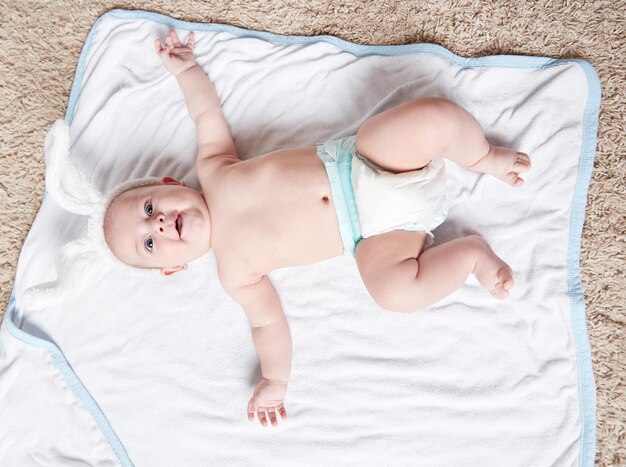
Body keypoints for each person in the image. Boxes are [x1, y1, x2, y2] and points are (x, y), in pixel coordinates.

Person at [103, 30, 531, 428]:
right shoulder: (234, 274)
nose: (157, 225)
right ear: (174, 268)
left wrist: (185, 70)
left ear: (170, 185)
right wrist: (276, 379)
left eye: (148, 207)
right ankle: (470, 255)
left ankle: (482, 157)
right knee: (393, 292)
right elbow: (267, 326)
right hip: (378, 234)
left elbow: (205, 114)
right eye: (149, 243)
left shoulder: (213, 168)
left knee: (429, 118)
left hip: (367, 163)